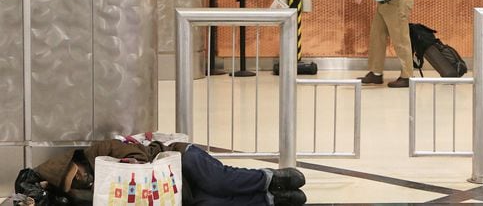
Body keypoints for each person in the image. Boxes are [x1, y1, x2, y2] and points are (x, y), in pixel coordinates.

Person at [14, 139, 307, 206]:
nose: (82, 180)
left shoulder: (99, 150)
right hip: (171, 193)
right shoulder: (84, 197)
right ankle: (272, 199)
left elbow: (140, 153)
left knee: (218, 180)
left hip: (178, 161)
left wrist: (128, 168)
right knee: (212, 203)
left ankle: (272, 179)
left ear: (74, 163)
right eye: (74, 184)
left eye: (76, 174)